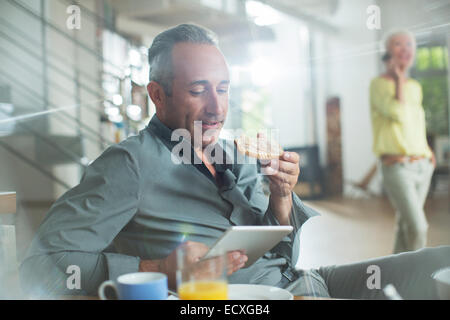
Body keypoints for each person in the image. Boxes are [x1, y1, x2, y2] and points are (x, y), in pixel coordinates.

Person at [20, 24, 449, 299]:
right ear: (158, 95)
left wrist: (282, 199)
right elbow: (42, 261)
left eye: (223, 89)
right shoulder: (129, 165)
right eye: (198, 90)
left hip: (314, 282)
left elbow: (283, 254)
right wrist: (157, 271)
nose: (216, 108)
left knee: (442, 264)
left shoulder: (235, 154)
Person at [370, 30, 436, 254]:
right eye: (398, 44)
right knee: (418, 226)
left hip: (423, 164)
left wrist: (428, 151)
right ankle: (416, 277)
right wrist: (398, 79)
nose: (405, 48)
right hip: (397, 167)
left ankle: (395, 277)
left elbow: (416, 124)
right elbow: (399, 113)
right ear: (387, 53)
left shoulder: (415, 87)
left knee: (405, 225)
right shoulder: (378, 85)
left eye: (409, 43)